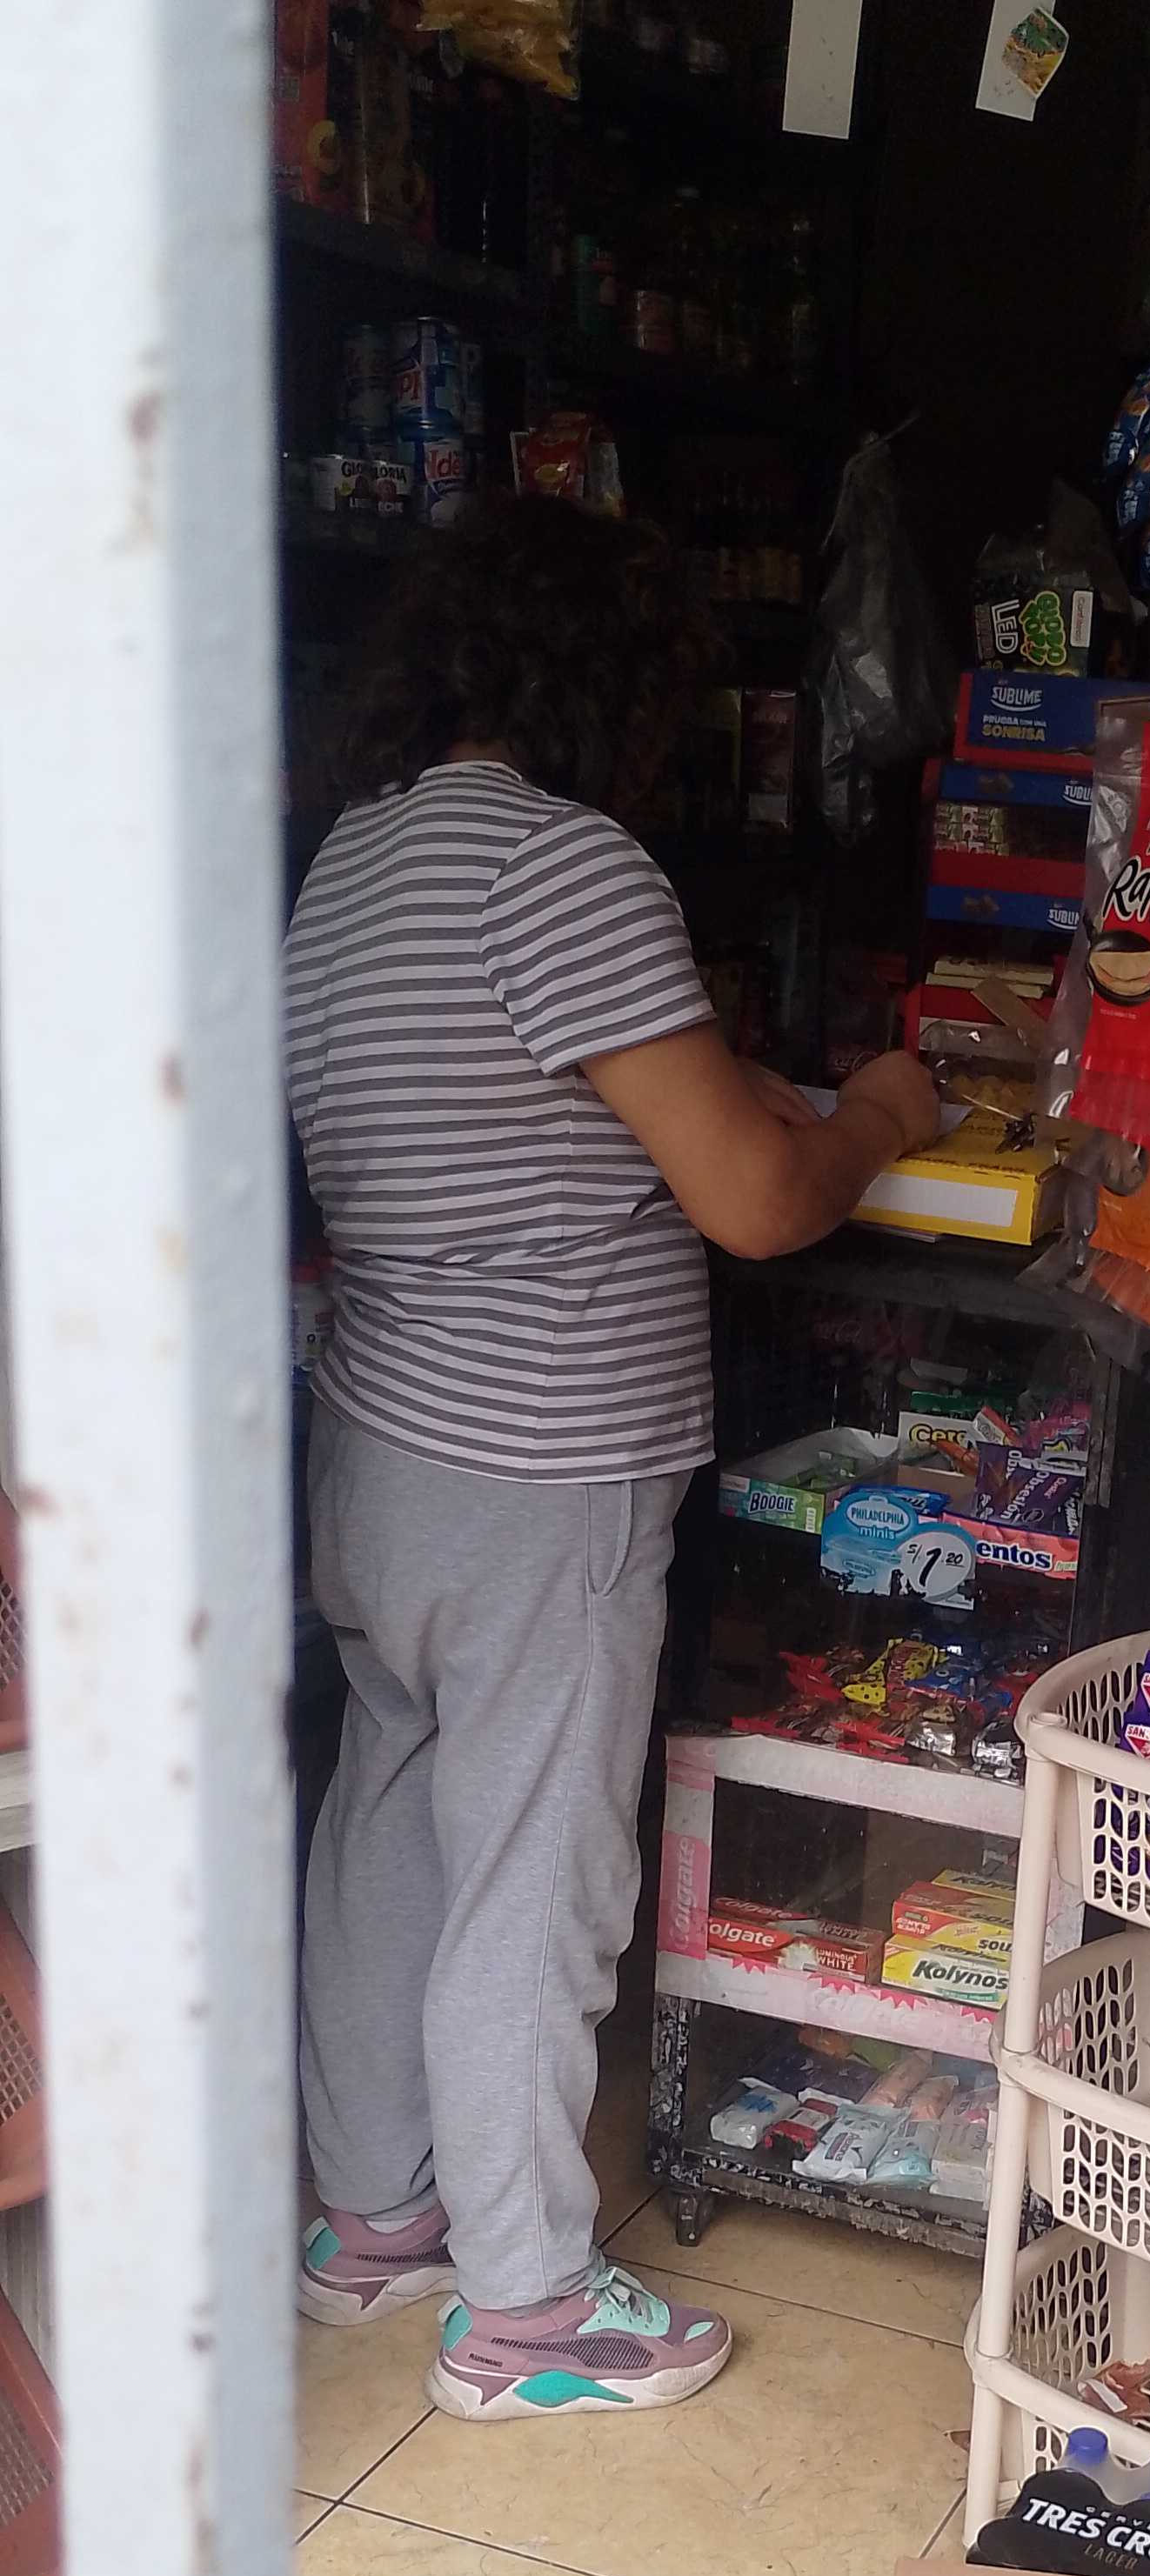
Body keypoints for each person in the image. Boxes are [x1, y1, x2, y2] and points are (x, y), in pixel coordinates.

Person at [284, 496, 939, 2420]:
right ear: (616, 685)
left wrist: (758, 1099)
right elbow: (753, 1199)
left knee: (392, 1819)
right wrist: (879, 1118)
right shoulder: (561, 865)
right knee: (537, 1873)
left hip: (380, 1449)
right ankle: (528, 2312)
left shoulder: (357, 856)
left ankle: (372, 2219)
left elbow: (535, 1109)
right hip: (539, 1462)